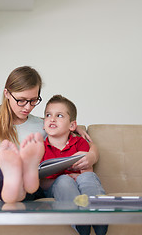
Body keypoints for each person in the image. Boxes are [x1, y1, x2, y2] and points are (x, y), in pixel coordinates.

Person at [0, 66, 99, 202]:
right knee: (5, 167)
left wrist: (92, 155)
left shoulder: (42, 126)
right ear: (7, 94)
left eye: (33, 100)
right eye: (21, 100)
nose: (28, 107)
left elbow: (76, 142)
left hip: (24, 189)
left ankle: (21, 178)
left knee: (28, 178)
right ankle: (16, 173)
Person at [40, 94, 108, 235]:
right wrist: (66, 177)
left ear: (72, 125)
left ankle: (99, 216)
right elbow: (42, 183)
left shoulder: (80, 143)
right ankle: (80, 222)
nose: (52, 119)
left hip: (81, 182)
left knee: (88, 177)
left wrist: (78, 175)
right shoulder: (40, 147)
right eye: (48, 115)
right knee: (64, 180)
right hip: (55, 186)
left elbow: (87, 170)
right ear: (43, 122)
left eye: (59, 116)